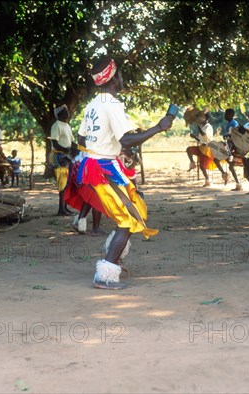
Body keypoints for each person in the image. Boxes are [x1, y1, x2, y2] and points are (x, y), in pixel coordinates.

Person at [77, 56, 174, 290]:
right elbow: (126, 139)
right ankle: (105, 275)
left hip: (99, 166)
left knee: (136, 208)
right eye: (119, 73)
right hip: (102, 169)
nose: (122, 77)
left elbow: (81, 139)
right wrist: (158, 128)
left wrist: (107, 149)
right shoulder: (111, 105)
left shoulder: (92, 106)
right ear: (113, 79)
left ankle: (114, 256)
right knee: (127, 220)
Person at [185, 111, 229, 187]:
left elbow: (204, 135)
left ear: (207, 119)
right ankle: (192, 163)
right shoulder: (202, 126)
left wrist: (197, 125)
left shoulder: (208, 126)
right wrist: (194, 136)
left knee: (203, 165)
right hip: (201, 147)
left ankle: (210, 179)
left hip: (207, 149)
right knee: (189, 149)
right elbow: (201, 140)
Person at [49, 104, 75, 215]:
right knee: (62, 183)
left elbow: (71, 141)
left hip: (66, 156)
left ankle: (64, 207)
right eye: (65, 111)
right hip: (59, 156)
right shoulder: (56, 126)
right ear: (59, 114)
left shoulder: (67, 126)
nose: (68, 112)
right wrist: (66, 150)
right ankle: (61, 209)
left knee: (67, 183)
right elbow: (55, 143)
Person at [221, 108, 242, 191]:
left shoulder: (234, 123)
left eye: (227, 114)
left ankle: (237, 183)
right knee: (230, 166)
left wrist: (227, 136)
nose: (225, 115)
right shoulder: (229, 123)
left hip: (234, 146)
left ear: (231, 115)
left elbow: (236, 135)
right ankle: (236, 182)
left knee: (230, 165)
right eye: (225, 114)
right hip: (229, 145)